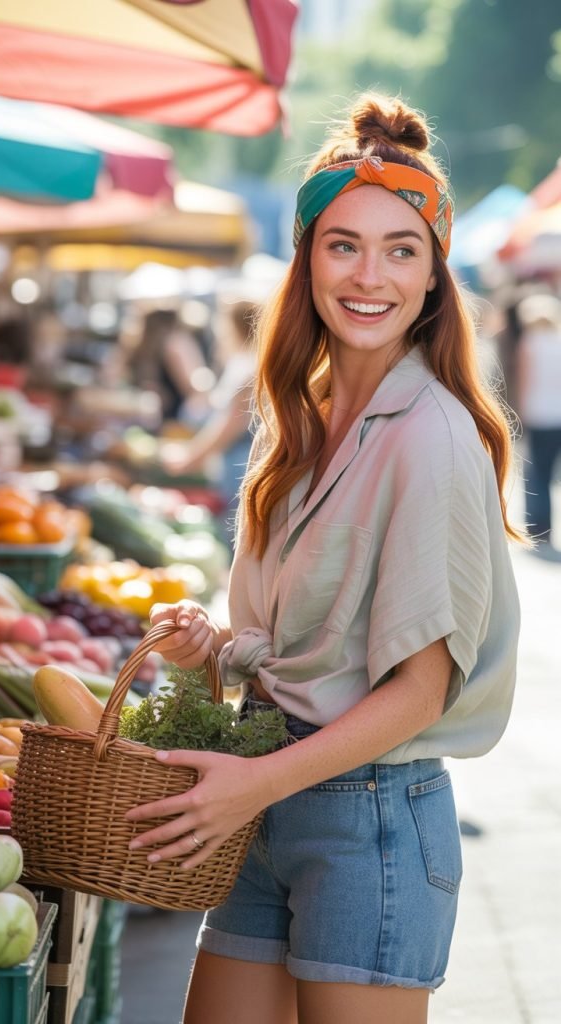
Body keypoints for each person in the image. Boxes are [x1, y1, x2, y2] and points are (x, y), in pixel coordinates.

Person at [126, 91, 524, 1024]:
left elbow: (420, 692)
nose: (369, 275)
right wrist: (217, 644)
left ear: (434, 276)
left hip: (367, 820)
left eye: (402, 249)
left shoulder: (431, 437)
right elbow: (306, 646)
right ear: (306, 259)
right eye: (343, 244)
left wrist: (253, 786)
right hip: (267, 795)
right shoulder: (298, 422)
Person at [160, 294, 259, 540]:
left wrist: (190, 459)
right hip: (235, 468)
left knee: (235, 537)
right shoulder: (245, 363)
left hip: (241, 470)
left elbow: (229, 427)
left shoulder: (249, 368)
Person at [515, 293, 561, 549]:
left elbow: (525, 381)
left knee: (537, 474)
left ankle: (539, 528)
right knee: (551, 473)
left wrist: (520, 414)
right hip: (558, 415)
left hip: (539, 414)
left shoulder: (530, 343)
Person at [126, 306, 208, 420]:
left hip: (155, 416)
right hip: (175, 415)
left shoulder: (141, 348)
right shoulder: (175, 343)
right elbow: (190, 384)